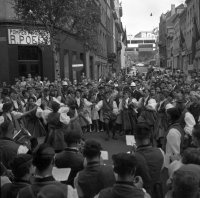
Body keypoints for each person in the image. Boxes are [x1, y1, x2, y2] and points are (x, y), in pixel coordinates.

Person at [134, 123, 164, 197]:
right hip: (157, 191)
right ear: (150, 136)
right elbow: (160, 170)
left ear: (135, 137)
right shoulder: (160, 152)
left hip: (141, 193)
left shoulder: (133, 157)